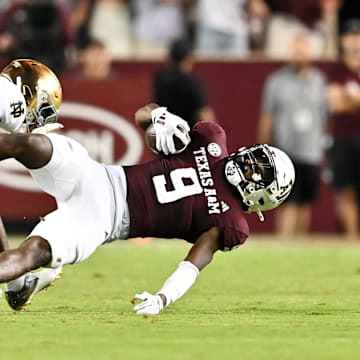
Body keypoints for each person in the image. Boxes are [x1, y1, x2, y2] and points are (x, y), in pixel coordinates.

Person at [0, 58, 295, 314]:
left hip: (102, 220)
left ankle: (18, 286)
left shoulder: (228, 222)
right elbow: (143, 114)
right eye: (255, 158)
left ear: (265, 195)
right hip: (96, 175)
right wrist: (158, 117)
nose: (248, 164)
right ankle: (18, 287)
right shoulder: (212, 141)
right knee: (28, 143)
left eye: (259, 171)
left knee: (29, 255)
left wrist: (163, 297)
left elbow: (192, 266)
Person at [257, 33, 328, 235]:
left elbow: (325, 117)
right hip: (285, 151)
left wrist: (324, 143)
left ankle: (300, 244)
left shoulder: (319, 81)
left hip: (311, 150)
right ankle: (285, 242)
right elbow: (267, 116)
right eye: (296, 50)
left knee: (305, 203)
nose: (299, 55)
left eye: (303, 50)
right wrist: (264, 147)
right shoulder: (277, 81)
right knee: (287, 201)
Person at [327, 19, 360, 239]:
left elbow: (343, 101)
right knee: (345, 190)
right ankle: (351, 240)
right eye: (350, 35)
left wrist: (351, 99)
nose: (354, 40)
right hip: (342, 138)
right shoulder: (336, 70)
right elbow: (335, 104)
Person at [153, 38, 216, 129]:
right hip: (187, 135)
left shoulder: (160, 79)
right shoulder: (191, 82)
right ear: (189, 58)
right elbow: (204, 114)